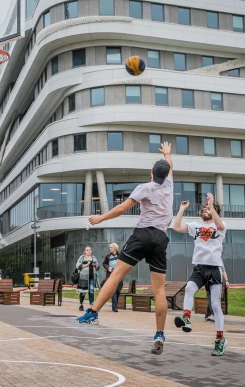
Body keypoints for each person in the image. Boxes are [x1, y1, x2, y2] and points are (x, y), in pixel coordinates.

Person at [77, 142, 174, 356]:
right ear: (167, 175)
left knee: (116, 275)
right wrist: (167, 153)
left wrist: (100, 217)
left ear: (151, 173)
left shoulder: (145, 188)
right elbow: (170, 165)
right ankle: (159, 334)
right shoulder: (169, 185)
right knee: (159, 290)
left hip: (142, 234)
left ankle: (93, 313)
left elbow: (122, 208)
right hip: (160, 237)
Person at [171, 194, 230, 356]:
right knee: (189, 288)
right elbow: (176, 227)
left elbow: (219, 224)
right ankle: (186, 318)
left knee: (216, 305)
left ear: (215, 211)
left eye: (209, 208)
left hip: (214, 268)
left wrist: (211, 205)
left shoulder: (220, 225)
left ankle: (220, 340)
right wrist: (181, 210)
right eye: (204, 208)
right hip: (199, 267)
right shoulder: (195, 226)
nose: (206, 210)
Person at [76, 246, 99, 311]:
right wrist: (87, 264)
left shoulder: (94, 258)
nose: (88, 251)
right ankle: (81, 304)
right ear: (85, 251)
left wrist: (95, 265)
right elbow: (77, 266)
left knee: (91, 291)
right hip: (84, 277)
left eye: (89, 250)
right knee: (83, 291)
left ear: (91, 251)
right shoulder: (82, 258)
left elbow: (97, 266)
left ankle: (91, 305)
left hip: (92, 277)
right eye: (87, 250)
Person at [103, 243, 122, 312]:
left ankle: (115, 304)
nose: (110, 248)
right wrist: (108, 268)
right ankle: (114, 307)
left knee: (118, 290)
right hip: (111, 275)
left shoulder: (120, 256)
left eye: (111, 247)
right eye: (110, 247)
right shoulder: (108, 256)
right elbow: (104, 263)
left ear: (115, 248)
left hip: (119, 275)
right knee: (113, 291)